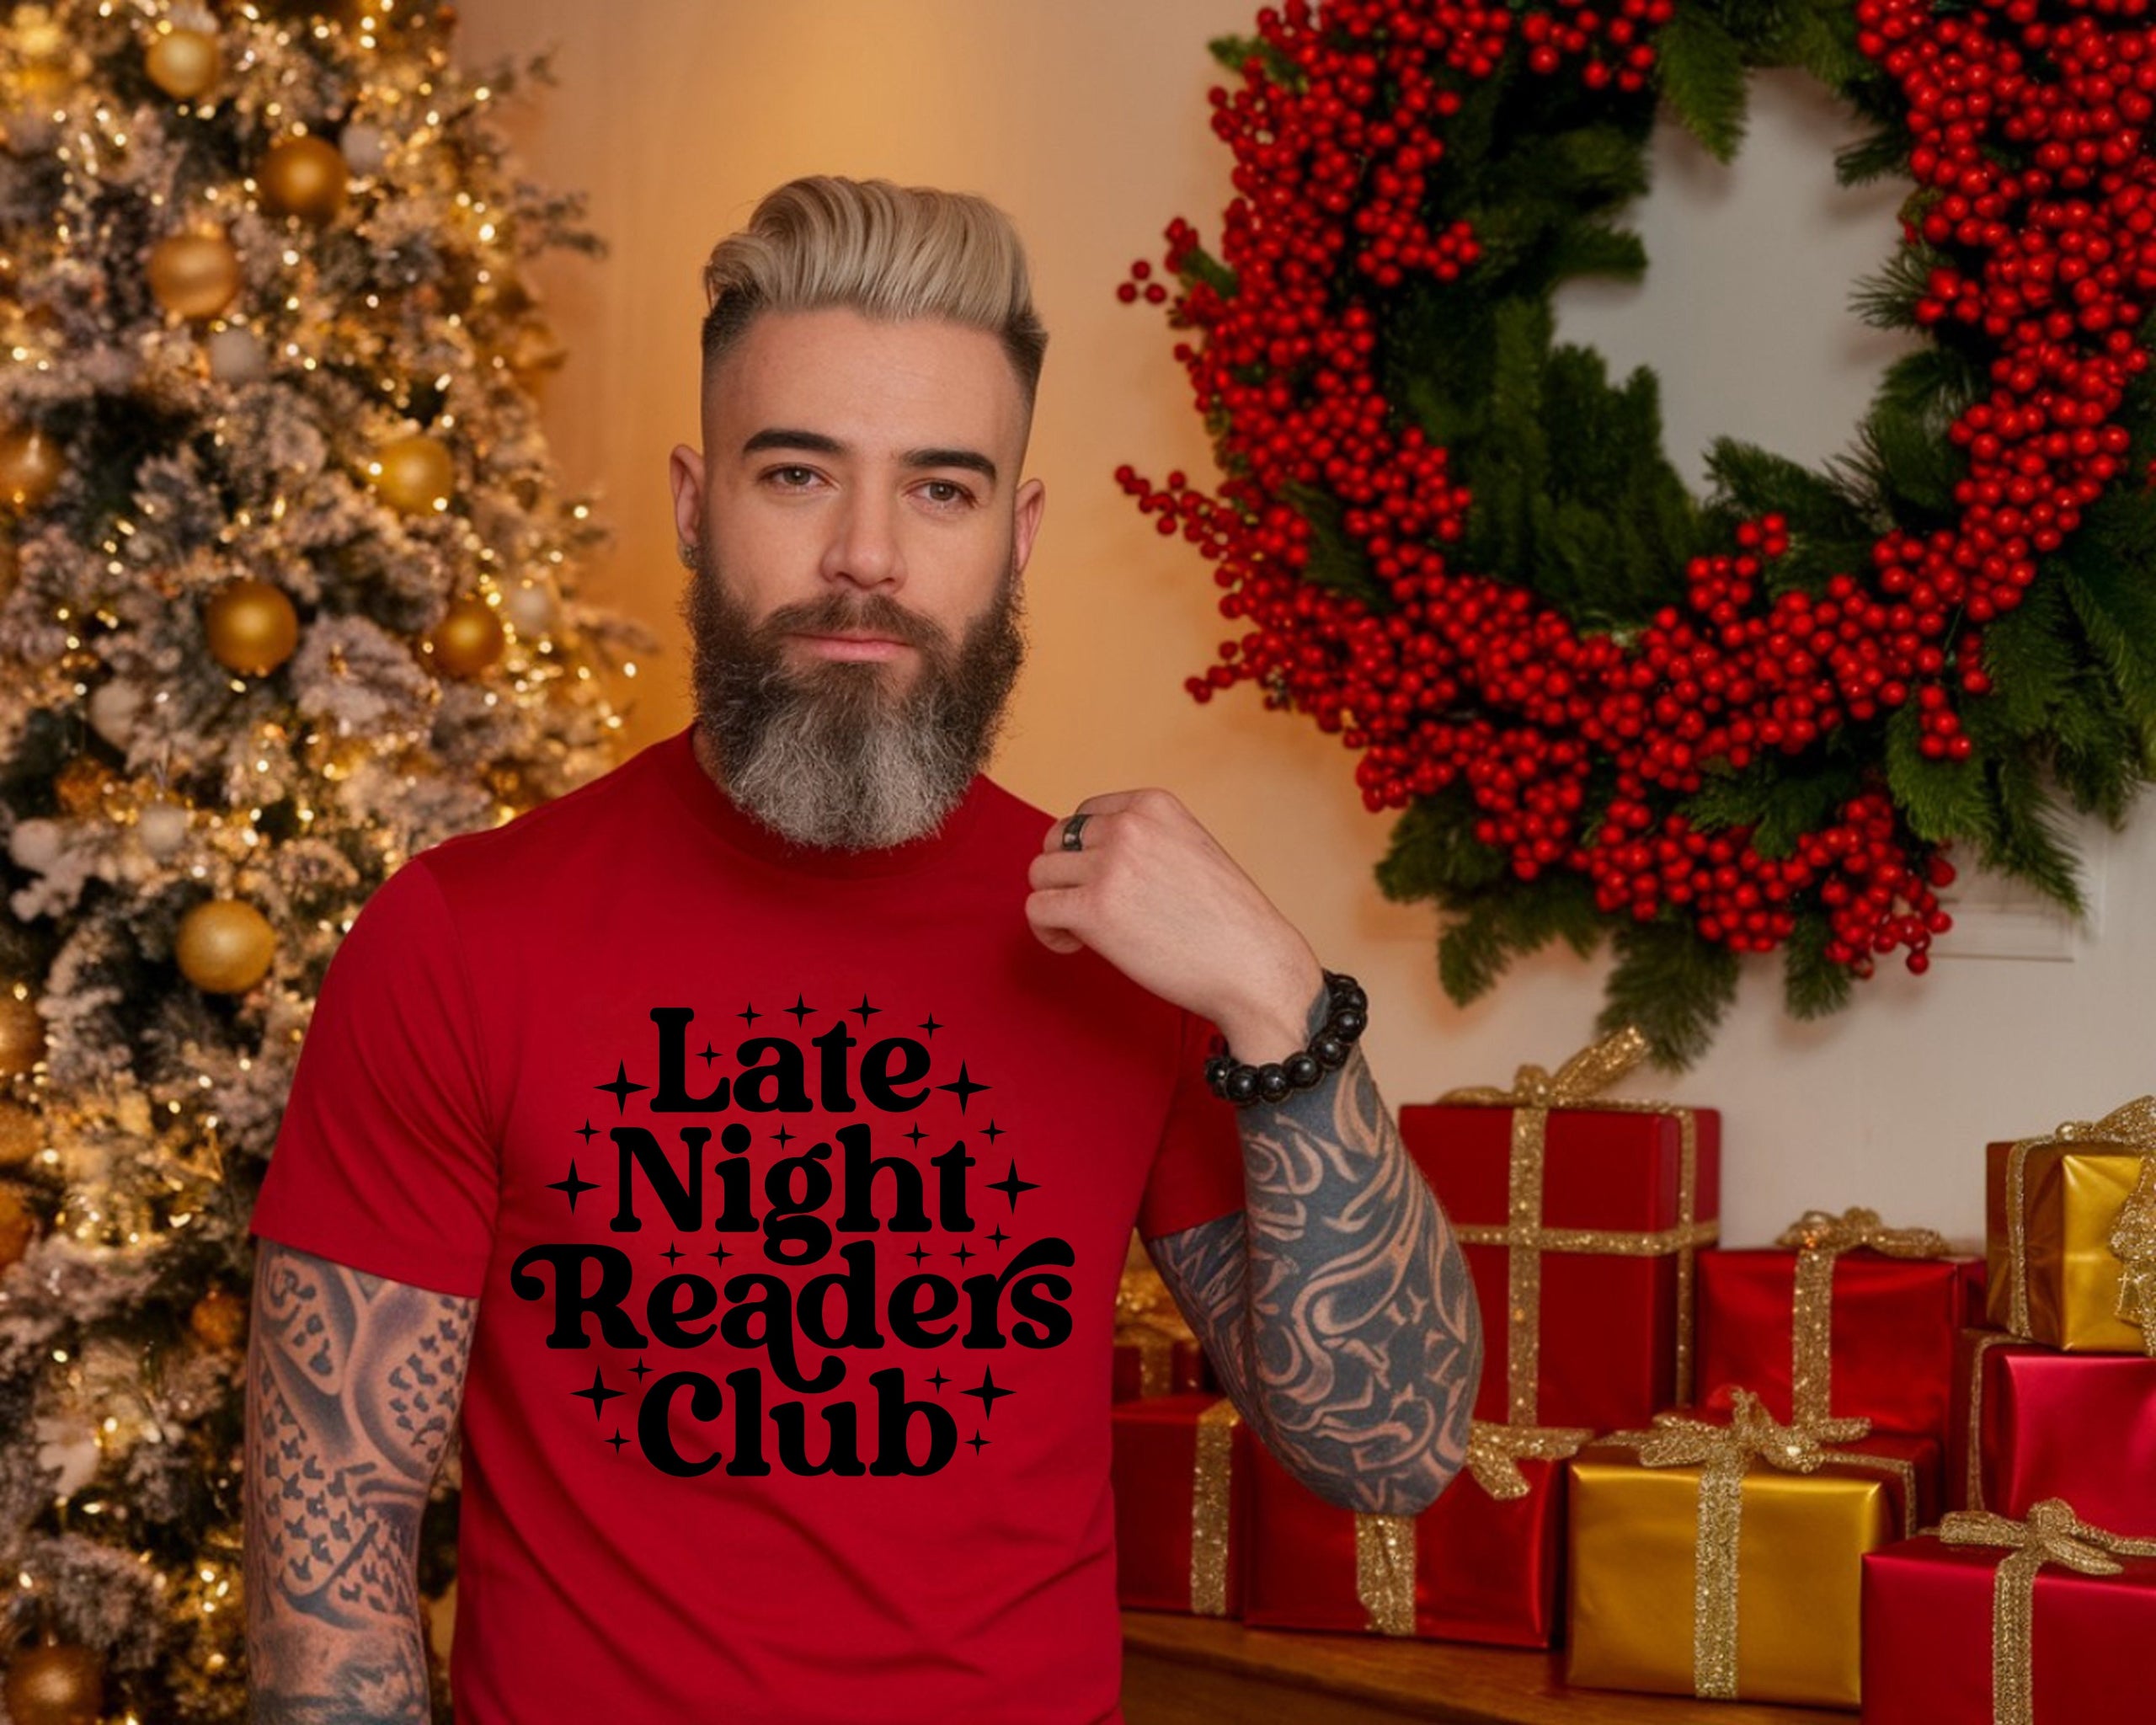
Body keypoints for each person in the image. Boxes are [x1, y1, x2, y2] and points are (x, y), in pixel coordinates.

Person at [243, 175, 1481, 1725]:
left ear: (1017, 538)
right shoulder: (459, 938)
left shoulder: (1133, 947)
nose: (868, 556)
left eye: (942, 489)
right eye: (799, 475)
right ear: (698, 506)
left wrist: (1280, 995)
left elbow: (1393, 1450)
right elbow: (330, 1587)